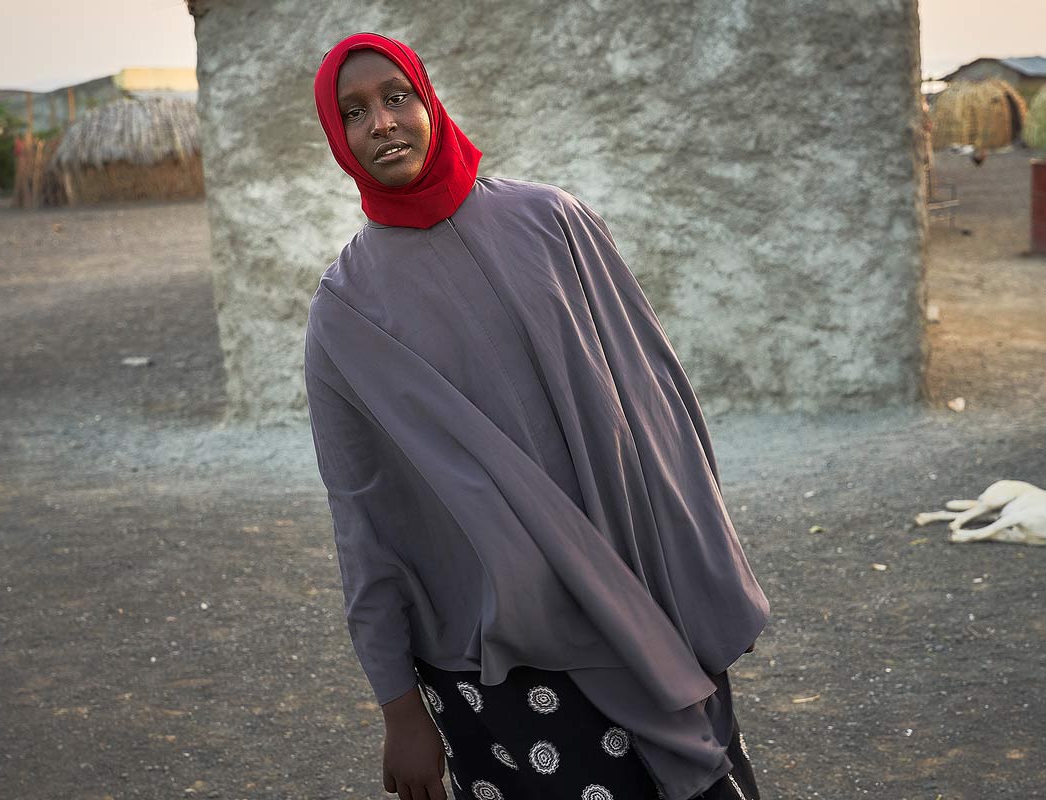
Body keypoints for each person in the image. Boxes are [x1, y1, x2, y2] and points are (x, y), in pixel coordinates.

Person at [305, 32, 770, 800]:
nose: (381, 123)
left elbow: (659, 414)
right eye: (354, 112)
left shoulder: (555, 225)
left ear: (429, 102)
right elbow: (362, 518)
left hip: (642, 610)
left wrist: (695, 576)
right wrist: (400, 708)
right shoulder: (346, 314)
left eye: (396, 97)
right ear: (338, 139)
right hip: (505, 665)